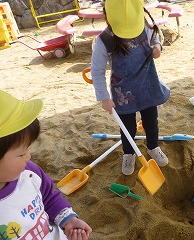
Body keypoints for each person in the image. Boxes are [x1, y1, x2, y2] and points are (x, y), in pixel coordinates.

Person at [90, 0, 170, 175]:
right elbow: (96, 71)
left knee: (151, 120)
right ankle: (129, 153)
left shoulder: (142, 24)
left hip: (147, 82)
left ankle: (153, 147)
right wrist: (104, 97)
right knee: (127, 127)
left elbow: (155, 37)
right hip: (123, 90)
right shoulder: (104, 41)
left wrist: (157, 47)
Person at [0, 90, 92, 240]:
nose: (28, 157)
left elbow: (49, 197)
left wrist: (69, 220)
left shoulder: (30, 173)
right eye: (21, 154)